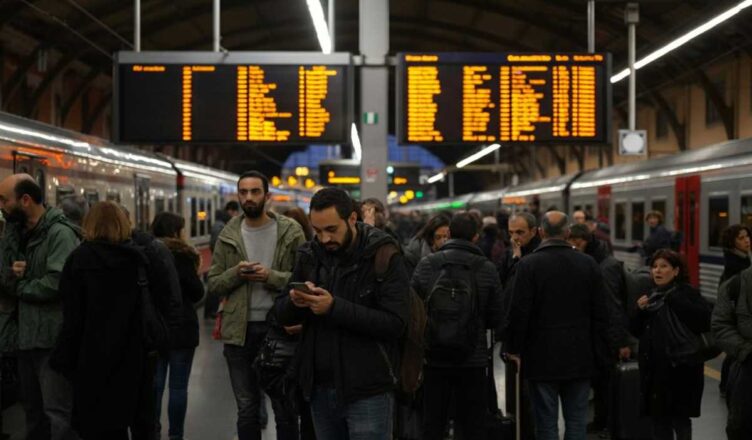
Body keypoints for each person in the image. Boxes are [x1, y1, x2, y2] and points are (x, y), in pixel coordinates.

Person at [277, 187, 410, 440]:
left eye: (331, 230)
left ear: (352, 219)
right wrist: (295, 302)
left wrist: (334, 308)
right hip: (319, 388)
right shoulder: (309, 255)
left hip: (367, 389)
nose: (324, 239)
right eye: (317, 231)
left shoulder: (383, 255)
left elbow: (395, 323)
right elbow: (281, 315)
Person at [208, 170, 306, 440]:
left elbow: (306, 281)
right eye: (243, 192)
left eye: (255, 192)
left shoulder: (290, 231)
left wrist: (271, 277)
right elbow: (214, 284)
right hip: (239, 332)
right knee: (247, 408)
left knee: (285, 407)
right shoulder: (228, 234)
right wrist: (236, 273)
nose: (248, 198)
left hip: (279, 328)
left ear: (267, 196)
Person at [48, 201, 153, 439]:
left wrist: (63, 359)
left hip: (90, 358)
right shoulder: (138, 260)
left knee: (95, 426)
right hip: (132, 358)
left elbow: (72, 316)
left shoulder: (78, 260)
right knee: (125, 422)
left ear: (90, 224)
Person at [506, 211, 609, 440]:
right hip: (580, 356)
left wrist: (513, 348)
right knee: (576, 422)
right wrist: (600, 352)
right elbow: (601, 313)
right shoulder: (588, 264)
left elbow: (519, 312)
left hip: (541, 358)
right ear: (568, 232)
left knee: (546, 423)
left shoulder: (528, 265)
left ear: (541, 232)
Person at [0, 174, 80, 440]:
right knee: (32, 412)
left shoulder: (60, 234)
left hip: (51, 338)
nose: (1, 206)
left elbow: (56, 282)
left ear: (25, 200)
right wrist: (11, 275)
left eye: (4, 200)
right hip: (25, 338)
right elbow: (4, 275)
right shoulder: (15, 233)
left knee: (56, 412)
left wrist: (21, 287)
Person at [411, 213, 503, 439]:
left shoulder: (427, 265)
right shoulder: (486, 268)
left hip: (434, 358)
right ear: (476, 237)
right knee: (472, 423)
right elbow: (497, 316)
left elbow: (413, 309)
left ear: (449, 234)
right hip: (472, 358)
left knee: (433, 422)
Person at [634, 249, 711, 440]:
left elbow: (703, 321)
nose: (657, 271)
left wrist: (674, 299)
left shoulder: (687, 293)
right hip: (655, 371)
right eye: (654, 267)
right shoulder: (651, 297)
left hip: (682, 369)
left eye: (663, 266)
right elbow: (635, 330)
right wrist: (639, 311)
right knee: (659, 422)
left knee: (680, 420)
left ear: (676, 271)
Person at [568, 223, 633, 437]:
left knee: (606, 384)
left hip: (605, 337)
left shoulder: (604, 267)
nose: (574, 247)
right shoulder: (595, 261)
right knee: (601, 383)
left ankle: (607, 424)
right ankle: (602, 421)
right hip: (597, 334)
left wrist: (621, 342)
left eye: (578, 242)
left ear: (587, 240)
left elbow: (612, 307)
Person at [151, 212, 205, 440]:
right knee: (178, 388)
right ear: (176, 231)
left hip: (155, 328)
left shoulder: (147, 253)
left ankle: (152, 432)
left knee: (155, 386)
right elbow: (197, 293)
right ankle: (176, 436)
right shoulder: (183, 256)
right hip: (182, 329)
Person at [713, 263, 752, 440]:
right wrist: (746, 351)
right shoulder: (735, 286)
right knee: (741, 426)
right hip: (748, 367)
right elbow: (720, 326)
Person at [497, 212, 541, 290]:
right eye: (511, 232)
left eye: (520, 232)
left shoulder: (540, 253)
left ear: (533, 231)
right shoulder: (508, 253)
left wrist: (516, 259)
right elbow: (502, 281)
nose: (514, 237)